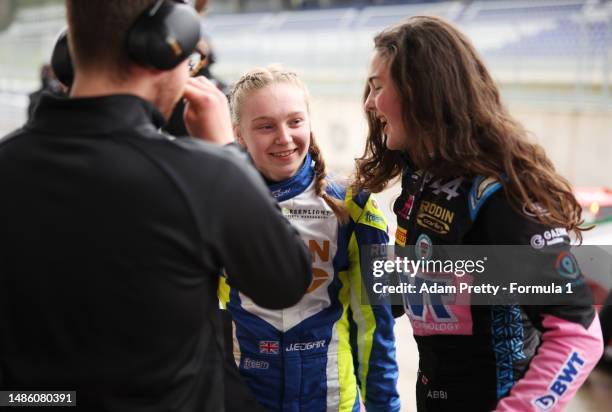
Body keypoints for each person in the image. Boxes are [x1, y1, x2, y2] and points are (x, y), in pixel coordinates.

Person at [0, 1, 312, 411]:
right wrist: (226, 151)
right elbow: (285, 280)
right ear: (162, 48)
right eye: (189, 57)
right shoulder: (207, 176)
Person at [355, 16, 604, 411]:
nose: (369, 103)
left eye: (377, 86)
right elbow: (420, 290)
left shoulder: (500, 193)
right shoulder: (420, 175)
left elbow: (579, 334)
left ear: (420, 92)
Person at [219, 65, 401, 412]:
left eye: (295, 121)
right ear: (239, 133)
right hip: (245, 396)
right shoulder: (215, 203)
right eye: (266, 126)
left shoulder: (353, 204)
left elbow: (375, 325)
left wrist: (384, 406)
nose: (284, 137)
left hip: (335, 399)